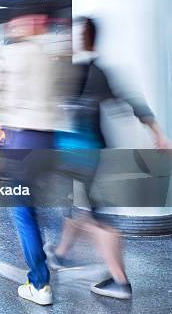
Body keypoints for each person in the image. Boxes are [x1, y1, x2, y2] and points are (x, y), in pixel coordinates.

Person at [44, 17, 169, 300]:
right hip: (85, 154)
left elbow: (127, 102)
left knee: (96, 217)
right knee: (78, 207)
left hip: (78, 155)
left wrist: (158, 134)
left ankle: (119, 280)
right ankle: (61, 255)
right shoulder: (93, 71)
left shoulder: (73, 71)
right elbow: (129, 102)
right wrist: (157, 133)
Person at [0, 2, 64, 306]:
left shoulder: (7, 56)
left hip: (18, 142)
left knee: (22, 211)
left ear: (26, 23)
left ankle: (39, 282)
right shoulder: (53, 58)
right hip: (49, 142)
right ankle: (50, 251)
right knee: (38, 204)